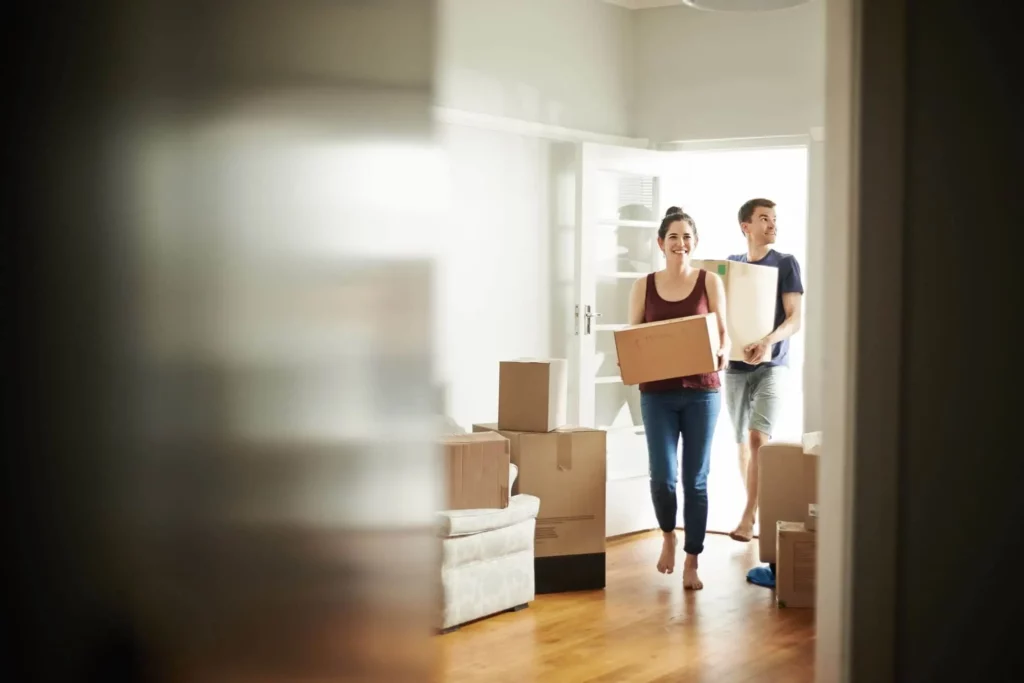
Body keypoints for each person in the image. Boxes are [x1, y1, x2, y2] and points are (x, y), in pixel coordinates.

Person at [627, 206, 730, 590]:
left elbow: (724, 332)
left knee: (696, 480)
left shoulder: (709, 282)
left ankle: (692, 560)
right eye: (673, 237)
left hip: (702, 391)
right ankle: (669, 534)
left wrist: (723, 351)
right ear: (660, 243)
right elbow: (633, 338)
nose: (680, 244)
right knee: (664, 478)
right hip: (657, 395)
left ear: (695, 242)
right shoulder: (644, 285)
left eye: (687, 237)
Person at [725, 198, 804, 543]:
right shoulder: (731, 265)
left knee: (759, 439)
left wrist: (768, 341)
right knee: (743, 442)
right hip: (735, 367)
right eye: (764, 219)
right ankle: (753, 509)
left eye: (774, 219)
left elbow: (795, 318)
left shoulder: (786, 263)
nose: (772, 224)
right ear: (746, 226)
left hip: (772, 365)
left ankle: (749, 516)